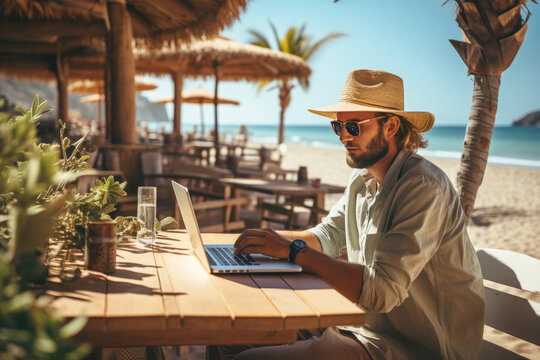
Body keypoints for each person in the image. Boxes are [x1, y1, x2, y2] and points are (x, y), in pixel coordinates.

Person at [211, 69, 485, 360]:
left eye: (353, 127)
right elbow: (327, 235)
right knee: (226, 333)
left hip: (414, 347)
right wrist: (250, 243)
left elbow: (382, 291)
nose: (342, 137)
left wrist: (295, 252)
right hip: (359, 327)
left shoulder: (422, 187)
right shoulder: (363, 180)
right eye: (337, 127)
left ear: (391, 126)